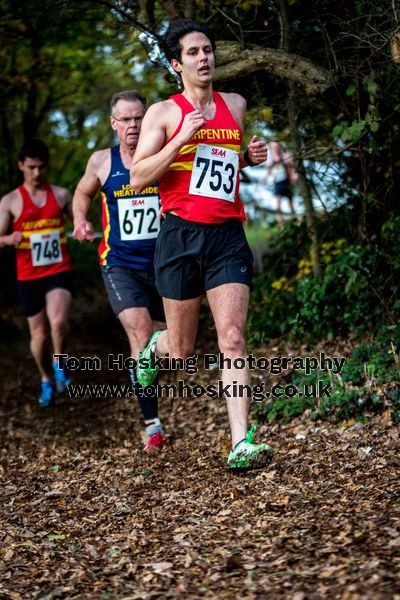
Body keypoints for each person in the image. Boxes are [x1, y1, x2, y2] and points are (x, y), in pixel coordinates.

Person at [130, 19, 273, 471]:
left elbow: (221, 169)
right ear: (177, 64)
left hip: (227, 235)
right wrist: (181, 139)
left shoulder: (235, 103)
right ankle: (154, 349)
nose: (204, 57)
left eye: (207, 49)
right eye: (192, 53)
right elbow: (137, 177)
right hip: (179, 237)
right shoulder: (163, 113)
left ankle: (240, 441)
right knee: (182, 349)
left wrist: (246, 159)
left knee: (232, 337)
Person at [72, 90, 166, 453]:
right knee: (141, 333)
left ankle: (149, 398)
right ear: (113, 124)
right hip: (120, 263)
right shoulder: (102, 162)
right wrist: (80, 219)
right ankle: (152, 425)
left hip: (162, 264)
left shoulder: (161, 156)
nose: (133, 125)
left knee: (166, 343)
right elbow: (82, 193)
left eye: (138, 117)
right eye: (125, 119)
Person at [0, 139, 73, 407]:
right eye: (31, 167)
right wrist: (9, 239)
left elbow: (80, 224)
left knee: (57, 322)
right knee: (39, 336)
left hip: (58, 269)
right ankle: (45, 378)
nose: (37, 173)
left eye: (41, 167)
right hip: (28, 275)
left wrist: (84, 229)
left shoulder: (62, 195)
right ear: (21, 166)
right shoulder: (10, 201)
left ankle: (59, 366)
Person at [266, 141, 298, 226]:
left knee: (290, 201)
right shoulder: (270, 159)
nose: (276, 149)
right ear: (271, 149)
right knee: (277, 202)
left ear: (280, 147)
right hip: (277, 183)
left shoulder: (286, 156)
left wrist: (294, 175)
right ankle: (281, 224)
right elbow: (268, 173)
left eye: (277, 147)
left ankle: (293, 221)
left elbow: (293, 168)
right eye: (273, 147)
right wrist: (267, 180)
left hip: (287, 181)